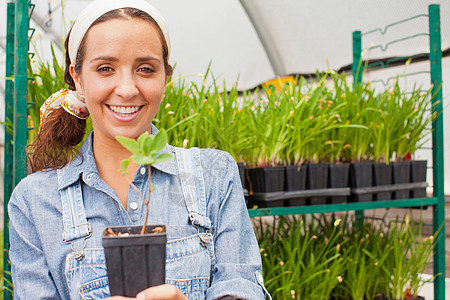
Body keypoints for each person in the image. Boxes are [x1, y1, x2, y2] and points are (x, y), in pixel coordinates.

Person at [8, 0, 271, 299]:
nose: (127, 88)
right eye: (105, 68)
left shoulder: (213, 175)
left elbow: (241, 286)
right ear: (78, 78)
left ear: (165, 78)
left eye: (145, 69)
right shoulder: (35, 201)